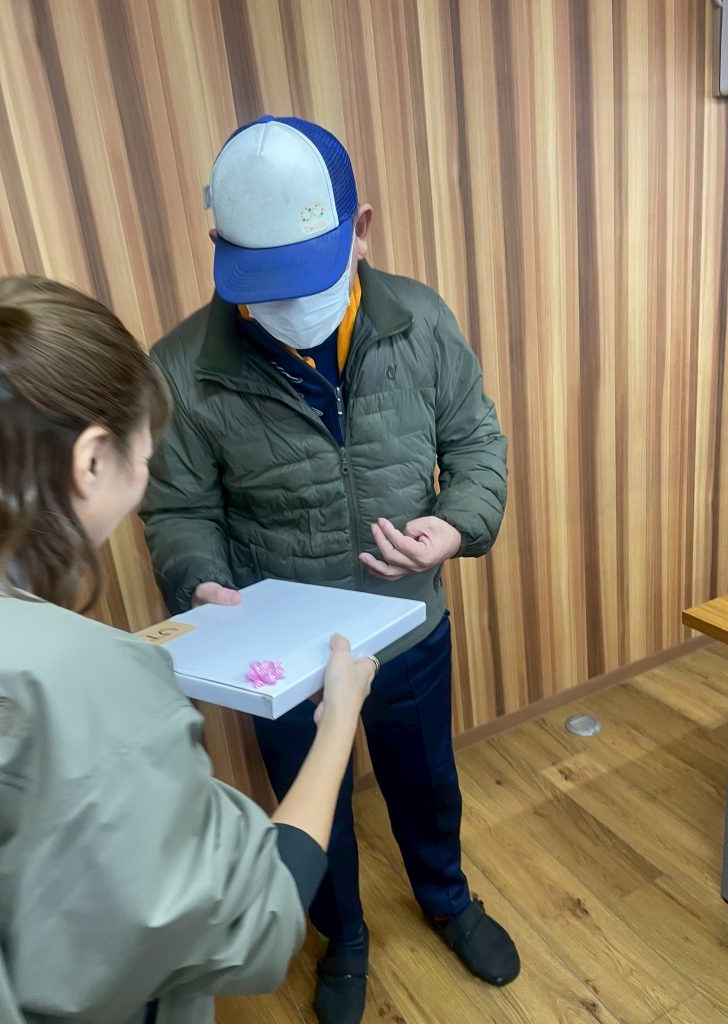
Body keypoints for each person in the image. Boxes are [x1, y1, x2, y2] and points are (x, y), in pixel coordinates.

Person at [142, 115, 518, 1024]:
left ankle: (447, 901)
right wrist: (198, 583)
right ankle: (341, 937)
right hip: (288, 657)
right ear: (220, 249)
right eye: (264, 281)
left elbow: (476, 441)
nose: (289, 305)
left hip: (407, 625)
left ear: (362, 229)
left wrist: (455, 527)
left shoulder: (421, 318)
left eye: (307, 274)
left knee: (427, 783)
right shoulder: (183, 368)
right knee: (315, 808)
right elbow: (177, 509)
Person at [0, 275, 375, 1024]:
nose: (147, 475)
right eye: (145, 455)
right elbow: (254, 918)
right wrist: (339, 719)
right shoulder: (89, 677)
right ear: (93, 460)